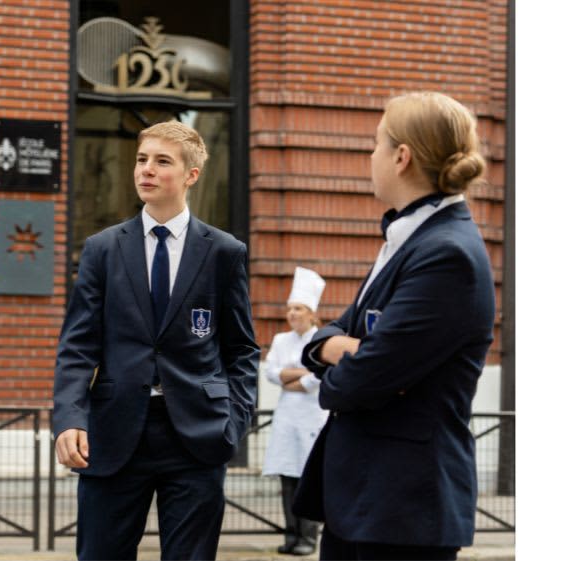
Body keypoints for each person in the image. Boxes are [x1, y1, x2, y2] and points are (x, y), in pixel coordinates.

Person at [293, 91, 495, 561]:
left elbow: (361, 380)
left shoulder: (447, 254)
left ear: (401, 157)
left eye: (376, 143)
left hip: (404, 507)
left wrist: (344, 354)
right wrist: (337, 347)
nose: (370, 155)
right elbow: (327, 335)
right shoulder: (411, 238)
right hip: (366, 502)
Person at [52, 120, 259, 560]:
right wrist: (70, 416)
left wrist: (234, 423)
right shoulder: (102, 249)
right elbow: (78, 345)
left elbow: (241, 349)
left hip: (197, 436)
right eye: (142, 159)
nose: (146, 169)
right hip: (113, 434)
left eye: (162, 161)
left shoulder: (224, 252)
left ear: (191, 175)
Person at [261, 266, 328, 556]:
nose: (292, 314)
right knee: (287, 478)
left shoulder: (322, 339)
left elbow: (319, 377)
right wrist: (300, 374)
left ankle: (309, 538)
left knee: (308, 477)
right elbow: (272, 374)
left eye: (298, 308)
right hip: (287, 417)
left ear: (312, 313)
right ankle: (291, 535)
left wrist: (293, 377)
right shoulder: (280, 340)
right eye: (290, 309)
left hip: (313, 417)